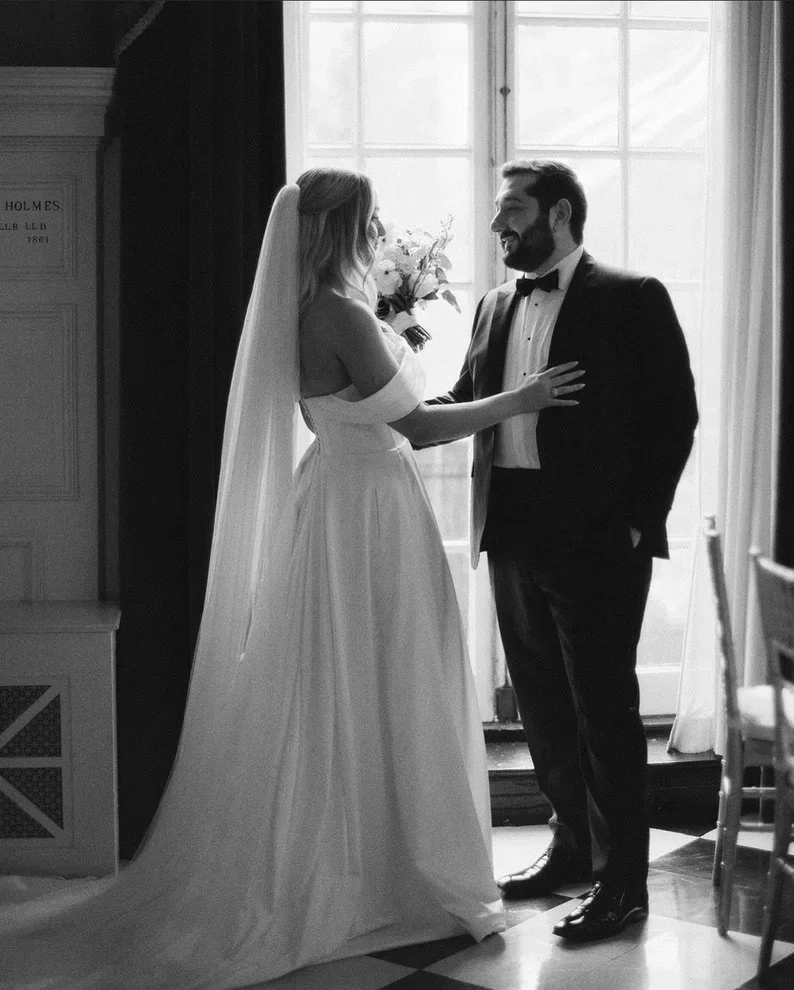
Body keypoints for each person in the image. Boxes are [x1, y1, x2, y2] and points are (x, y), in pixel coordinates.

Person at [0, 168, 586, 989]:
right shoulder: (339, 314)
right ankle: (385, 868)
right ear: (339, 228)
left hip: (337, 500)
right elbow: (417, 428)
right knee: (388, 674)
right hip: (368, 508)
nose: (378, 235)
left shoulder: (305, 309)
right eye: (369, 222)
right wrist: (518, 400)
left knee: (342, 681)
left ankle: (366, 856)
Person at [430, 160, 698, 943]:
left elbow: (675, 416)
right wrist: (385, 406)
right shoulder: (493, 304)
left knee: (604, 711)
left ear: (559, 213)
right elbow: (466, 396)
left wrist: (638, 522)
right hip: (510, 530)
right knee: (544, 706)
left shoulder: (633, 297)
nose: (497, 225)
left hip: (599, 539)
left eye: (511, 209)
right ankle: (572, 846)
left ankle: (624, 885)